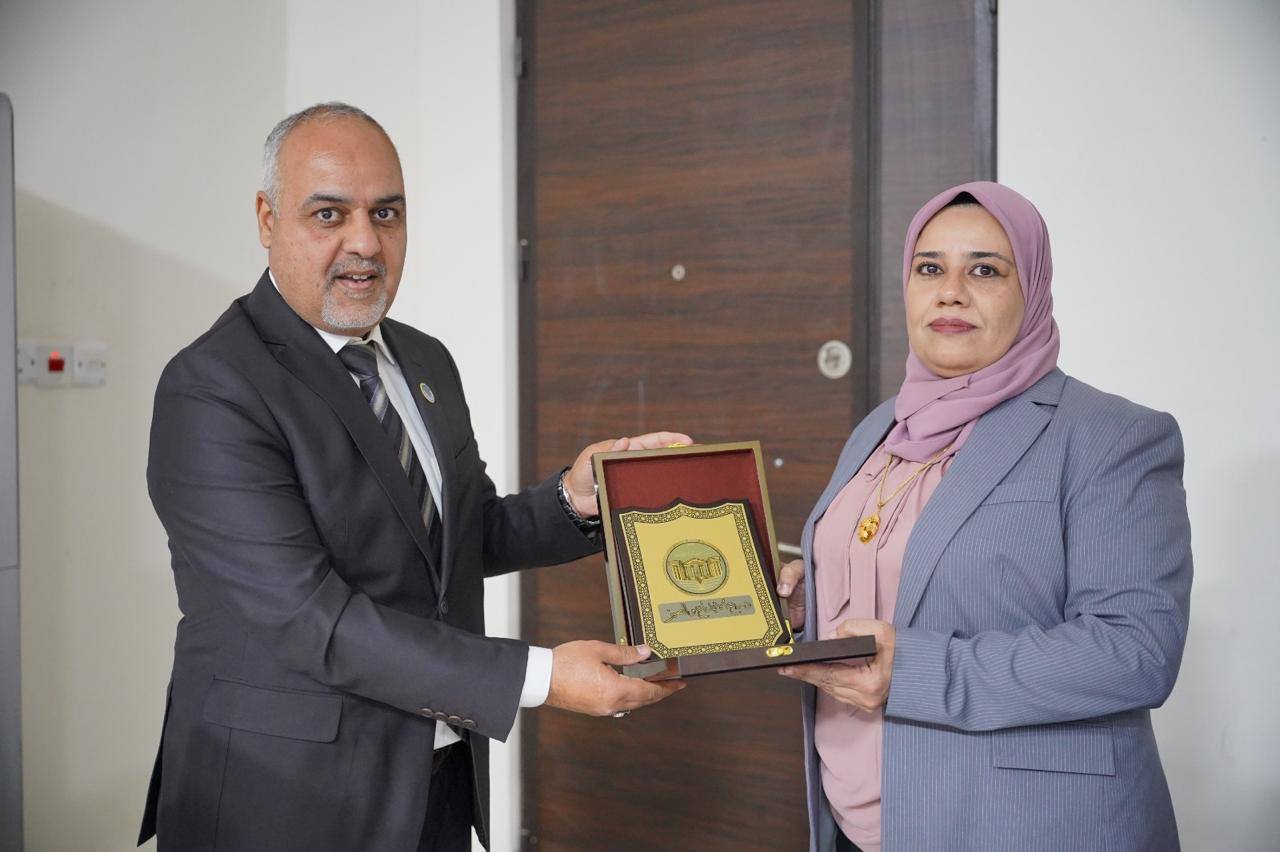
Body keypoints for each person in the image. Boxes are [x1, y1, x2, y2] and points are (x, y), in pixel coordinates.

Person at [139, 102, 687, 852]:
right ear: (267, 218)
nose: (365, 242)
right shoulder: (212, 388)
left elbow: (461, 536)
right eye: (329, 214)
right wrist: (540, 678)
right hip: (283, 797)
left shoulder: (423, 360)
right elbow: (311, 619)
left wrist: (577, 500)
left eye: (386, 213)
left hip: (434, 778)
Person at [776, 181, 1192, 852]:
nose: (950, 292)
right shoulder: (881, 428)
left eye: (986, 270)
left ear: (1032, 289)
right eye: (929, 268)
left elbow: (1136, 651)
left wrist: (913, 671)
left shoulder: (1110, 436)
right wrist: (810, 605)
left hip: (1017, 823)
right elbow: (900, 576)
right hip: (857, 820)